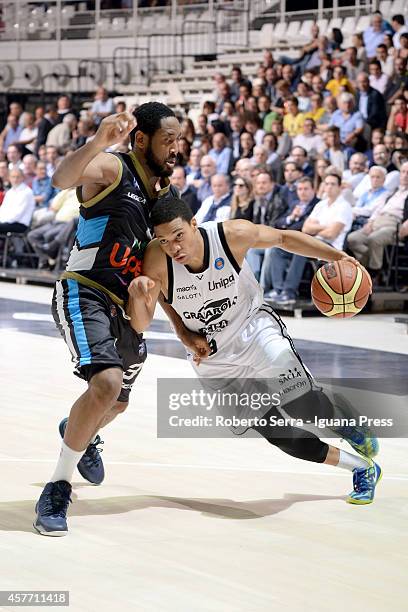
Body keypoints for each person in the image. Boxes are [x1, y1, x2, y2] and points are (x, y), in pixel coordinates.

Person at [127, 196, 381, 506]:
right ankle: (363, 468)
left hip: (255, 331)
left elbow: (284, 238)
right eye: (164, 240)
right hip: (214, 357)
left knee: (305, 407)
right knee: (282, 437)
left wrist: (336, 255)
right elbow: (154, 309)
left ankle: (342, 418)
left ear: (194, 224)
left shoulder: (231, 235)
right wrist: (173, 324)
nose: (174, 247)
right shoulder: (156, 258)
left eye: (179, 235)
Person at [33, 104, 181, 537]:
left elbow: (165, 268)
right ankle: (57, 487)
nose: (175, 148)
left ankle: (82, 432)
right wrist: (97, 141)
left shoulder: (166, 194)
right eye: (167, 139)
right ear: (141, 140)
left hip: (126, 305)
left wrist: (183, 328)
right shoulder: (114, 168)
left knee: (116, 402)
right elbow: (60, 180)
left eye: (179, 140)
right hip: (86, 289)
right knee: (107, 384)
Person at [347, 161, 408, 281]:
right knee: (352, 239)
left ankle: (374, 272)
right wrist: (370, 222)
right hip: (378, 221)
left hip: (394, 224)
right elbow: (379, 209)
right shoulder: (393, 192)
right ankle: (372, 266)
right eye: (403, 172)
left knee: (374, 239)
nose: (405, 175)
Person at [262, 176, 319, 302]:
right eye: (300, 189)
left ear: (313, 190)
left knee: (300, 251)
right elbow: (278, 222)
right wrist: (292, 217)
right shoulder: (294, 204)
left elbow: (304, 226)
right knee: (275, 249)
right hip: (291, 240)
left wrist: (291, 227)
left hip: (308, 242)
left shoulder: (317, 205)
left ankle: (289, 291)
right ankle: (278, 289)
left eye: (306, 189)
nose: (302, 192)